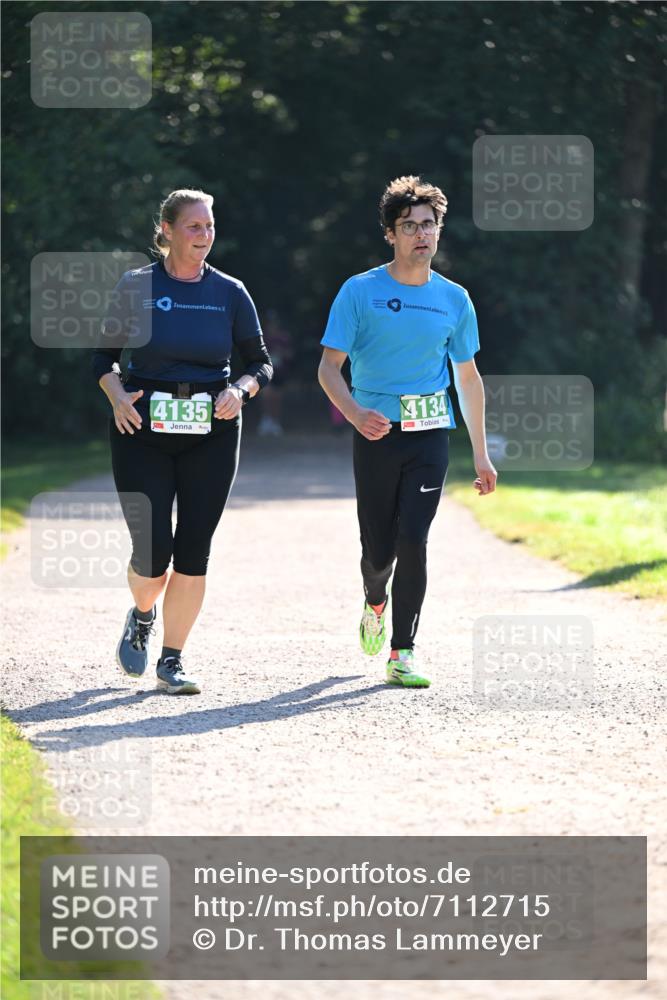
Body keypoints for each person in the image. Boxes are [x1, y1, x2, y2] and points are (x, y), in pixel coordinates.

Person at [318, 175, 496, 688]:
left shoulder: (455, 300)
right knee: (379, 550)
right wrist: (355, 414)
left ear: (439, 232)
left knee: (414, 538)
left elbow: (467, 377)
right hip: (375, 434)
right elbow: (329, 368)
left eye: (429, 224)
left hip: (429, 435)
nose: (421, 234)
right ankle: (375, 597)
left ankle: (403, 651)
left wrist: (481, 454)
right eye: (409, 226)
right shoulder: (360, 291)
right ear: (390, 234)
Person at [93, 188, 272, 694]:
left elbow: (261, 363)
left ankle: (172, 660)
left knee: (194, 549)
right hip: (141, 429)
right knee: (152, 554)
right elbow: (102, 359)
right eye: (194, 227)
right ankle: (143, 613)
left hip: (211, 430)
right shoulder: (137, 286)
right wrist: (117, 397)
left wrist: (241, 389)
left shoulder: (231, 291)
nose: (205, 235)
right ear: (167, 231)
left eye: (210, 226)